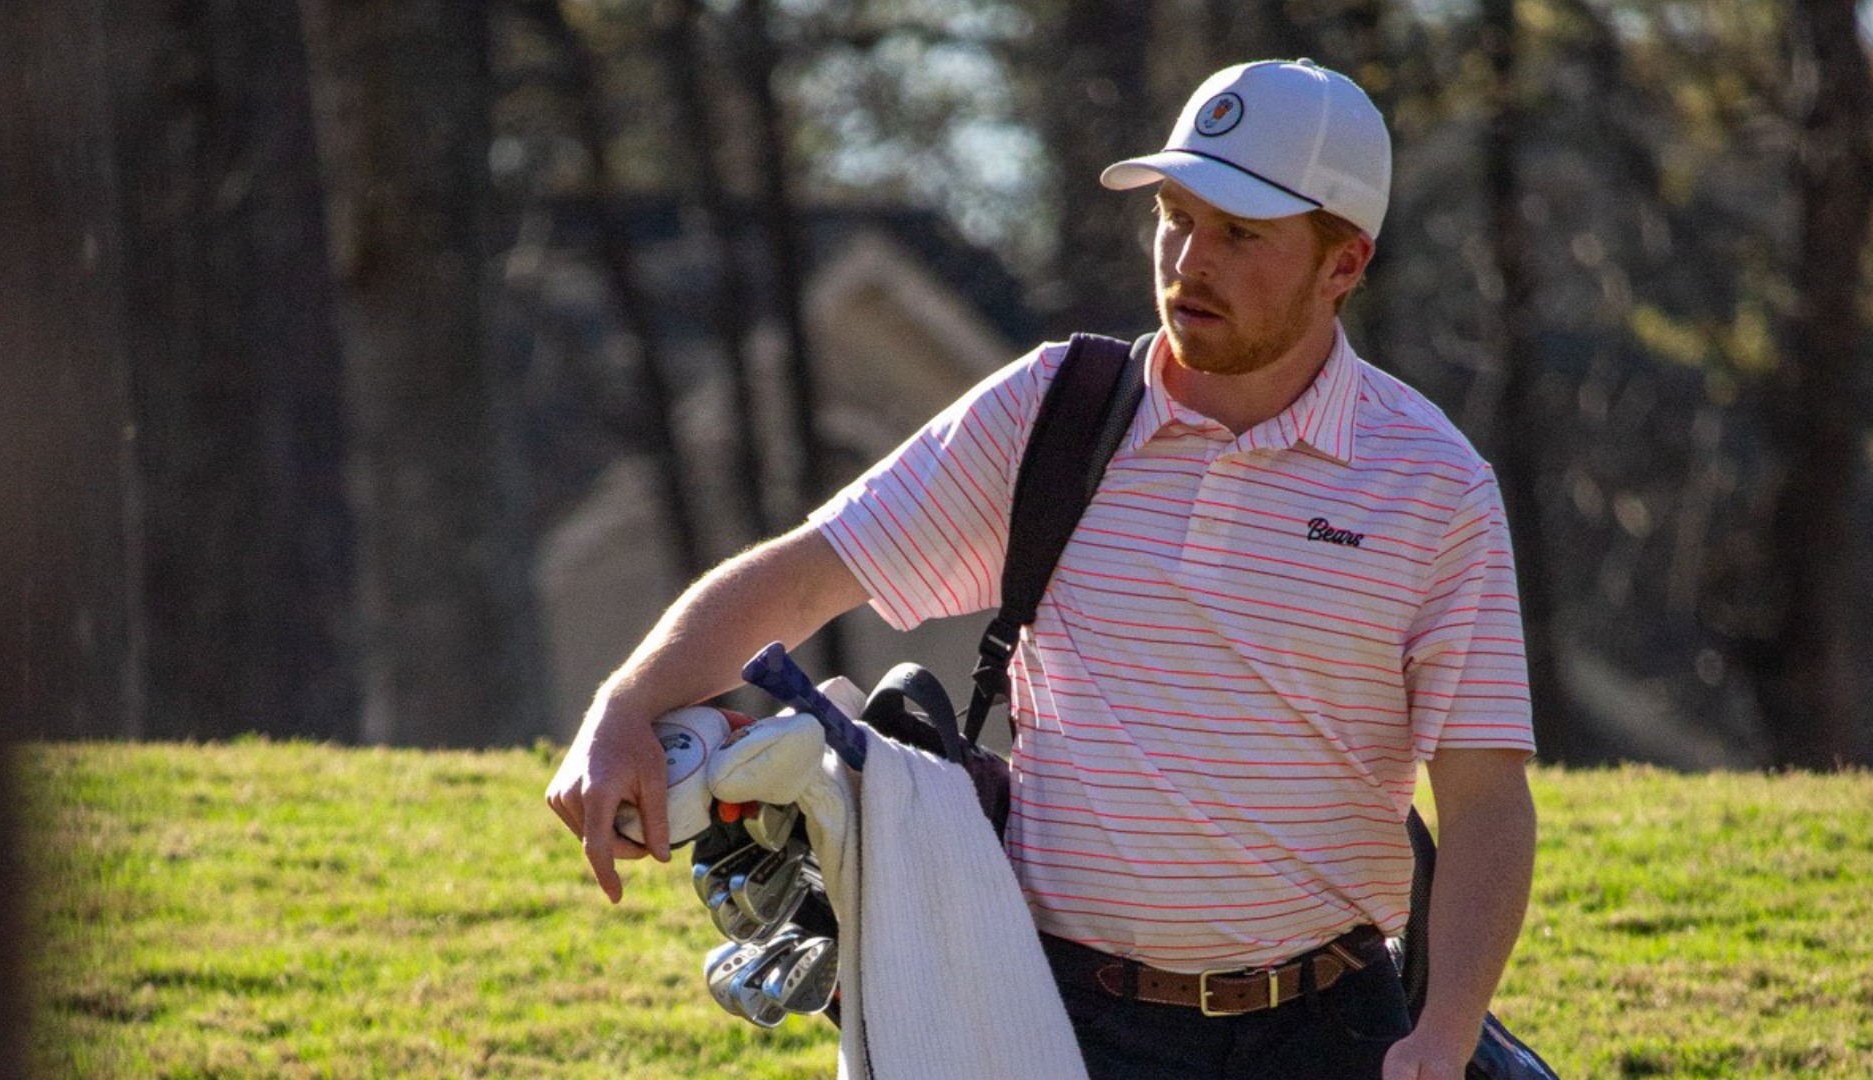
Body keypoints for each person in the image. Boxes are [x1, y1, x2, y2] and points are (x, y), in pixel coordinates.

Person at [548, 58, 1538, 1080]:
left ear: (1344, 264)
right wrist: (625, 703)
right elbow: (802, 578)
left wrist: (1447, 1033)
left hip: (1333, 1029)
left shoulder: (1434, 485)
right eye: (1177, 215)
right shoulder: (1049, 412)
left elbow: (1486, 804)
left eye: (1242, 235)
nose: (1191, 262)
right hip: (1058, 1018)